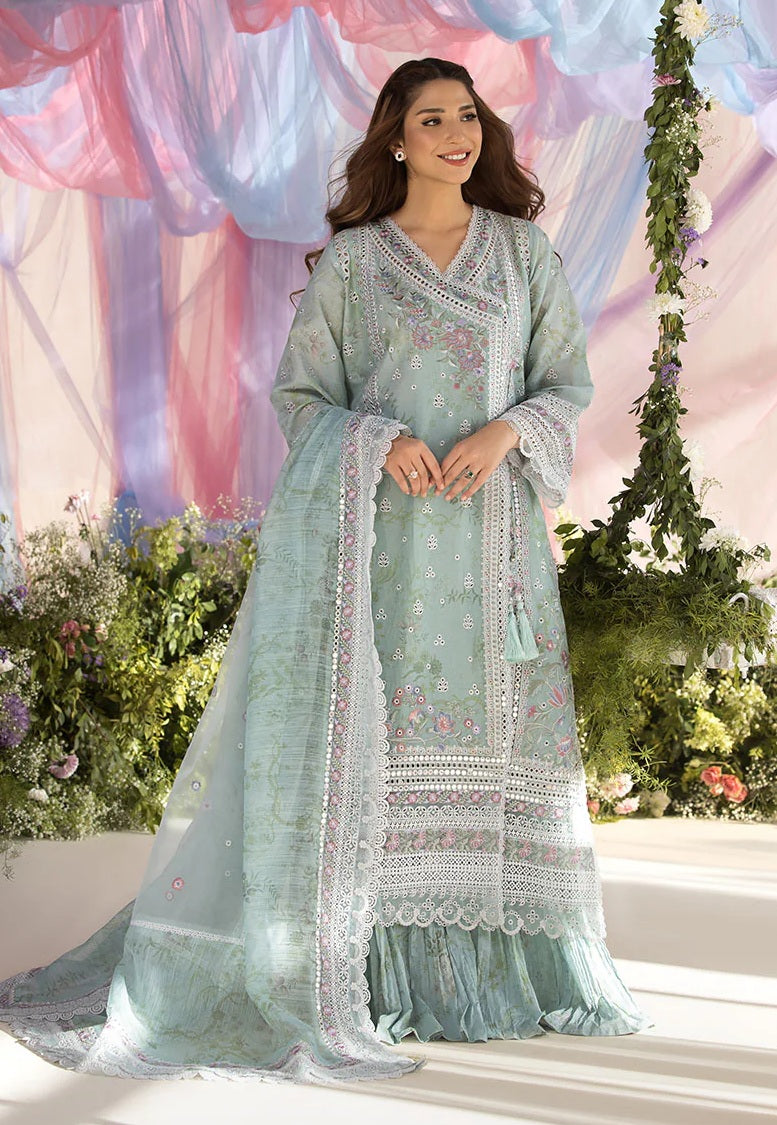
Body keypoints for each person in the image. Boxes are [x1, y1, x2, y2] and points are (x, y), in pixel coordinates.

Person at [0, 56, 653, 1085]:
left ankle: (494, 977)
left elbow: (564, 385)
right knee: (376, 761)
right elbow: (304, 400)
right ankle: (361, 975)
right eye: (431, 119)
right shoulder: (355, 264)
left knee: (494, 748)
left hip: (494, 560)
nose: (457, 134)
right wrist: (377, 443)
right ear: (394, 137)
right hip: (379, 558)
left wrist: (505, 434)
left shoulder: (523, 254)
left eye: (467, 116)